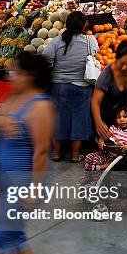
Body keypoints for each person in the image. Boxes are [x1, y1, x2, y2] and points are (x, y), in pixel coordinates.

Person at [0, 52, 55, 254]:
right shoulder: (13, 97)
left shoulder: (41, 106)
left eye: (16, 71)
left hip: (23, 178)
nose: (10, 75)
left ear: (30, 75)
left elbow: (41, 152)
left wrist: (34, 190)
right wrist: (2, 121)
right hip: (3, 174)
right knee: (4, 227)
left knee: (6, 229)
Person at [43, 11, 97, 163]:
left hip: (59, 86)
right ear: (83, 25)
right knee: (79, 120)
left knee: (58, 119)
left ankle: (56, 153)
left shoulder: (57, 41)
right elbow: (94, 56)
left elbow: (46, 56)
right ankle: (75, 155)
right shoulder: (89, 40)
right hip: (81, 87)